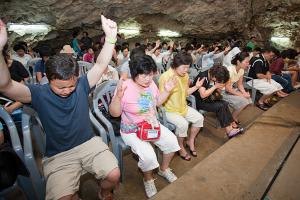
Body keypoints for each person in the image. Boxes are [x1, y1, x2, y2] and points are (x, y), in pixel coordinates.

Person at [0, 16, 120, 200]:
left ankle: (104, 192)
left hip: (89, 144)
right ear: (49, 80)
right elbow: (5, 85)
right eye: (60, 87)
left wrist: (111, 37)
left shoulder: (81, 85)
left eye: (70, 86)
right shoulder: (38, 94)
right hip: (59, 155)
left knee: (113, 175)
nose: (67, 91)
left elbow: (101, 64)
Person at [109, 55, 180, 198]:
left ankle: (164, 169)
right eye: (144, 75)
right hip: (132, 129)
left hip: (151, 125)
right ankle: (147, 178)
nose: (148, 78)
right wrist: (118, 97)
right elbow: (115, 114)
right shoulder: (125, 87)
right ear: (134, 74)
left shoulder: (151, 84)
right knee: (148, 156)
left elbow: (157, 103)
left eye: (151, 74)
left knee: (172, 142)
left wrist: (166, 90)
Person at [159, 52, 204, 161]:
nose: (186, 70)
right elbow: (159, 100)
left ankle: (190, 140)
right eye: (184, 67)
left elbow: (186, 92)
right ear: (175, 65)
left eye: (187, 68)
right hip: (169, 110)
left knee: (199, 118)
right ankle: (181, 147)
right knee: (183, 124)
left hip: (182, 107)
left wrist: (196, 87)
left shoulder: (185, 76)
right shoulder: (165, 77)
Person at [192, 65, 244, 138]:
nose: (218, 81)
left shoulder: (210, 74)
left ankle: (231, 126)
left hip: (207, 98)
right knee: (220, 106)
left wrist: (217, 87)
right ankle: (229, 130)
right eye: (218, 80)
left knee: (224, 103)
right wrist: (215, 86)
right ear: (214, 76)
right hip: (198, 101)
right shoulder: (203, 77)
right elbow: (202, 95)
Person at [247, 47, 286, 111]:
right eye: (271, 55)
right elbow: (259, 75)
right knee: (272, 88)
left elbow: (267, 71)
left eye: (273, 56)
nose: (272, 57)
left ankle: (265, 100)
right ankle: (260, 102)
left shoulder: (265, 61)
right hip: (252, 80)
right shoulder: (258, 61)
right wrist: (267, 76)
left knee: (277, 85)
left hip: (260, 79)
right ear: (266, 53)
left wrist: (268, 74)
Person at [223, 52, 252, 123]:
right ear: (238, 62)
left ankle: (233, 116)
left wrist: (244, 93)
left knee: (249, 100)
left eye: (248, 62)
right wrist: (242, 95)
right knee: (244, 101)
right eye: (246, 62)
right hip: (222, 92)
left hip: (230, 90)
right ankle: (232, 118)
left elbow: (240, 84)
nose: (248, 64)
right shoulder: (230, 70)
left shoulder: (241, 69)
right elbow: (227, 88)